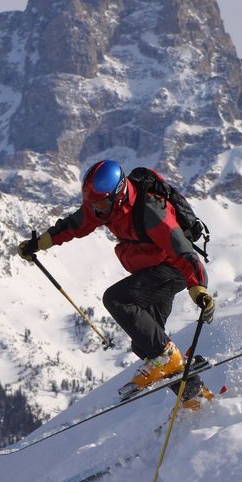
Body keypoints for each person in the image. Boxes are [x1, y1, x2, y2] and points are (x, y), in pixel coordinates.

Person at [17, 160, 215, 409]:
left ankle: (166, 358)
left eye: (100, 204)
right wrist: (39, 243)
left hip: (173, 269)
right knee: (145, 342)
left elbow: (183, 252)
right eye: (92, 204)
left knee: (117, 299)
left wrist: (199, 288)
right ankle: (199, 400)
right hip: (153, 269)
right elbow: (75, 224)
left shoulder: (151, 211)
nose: (96, 210)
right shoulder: (105, 207)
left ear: (118, 195)